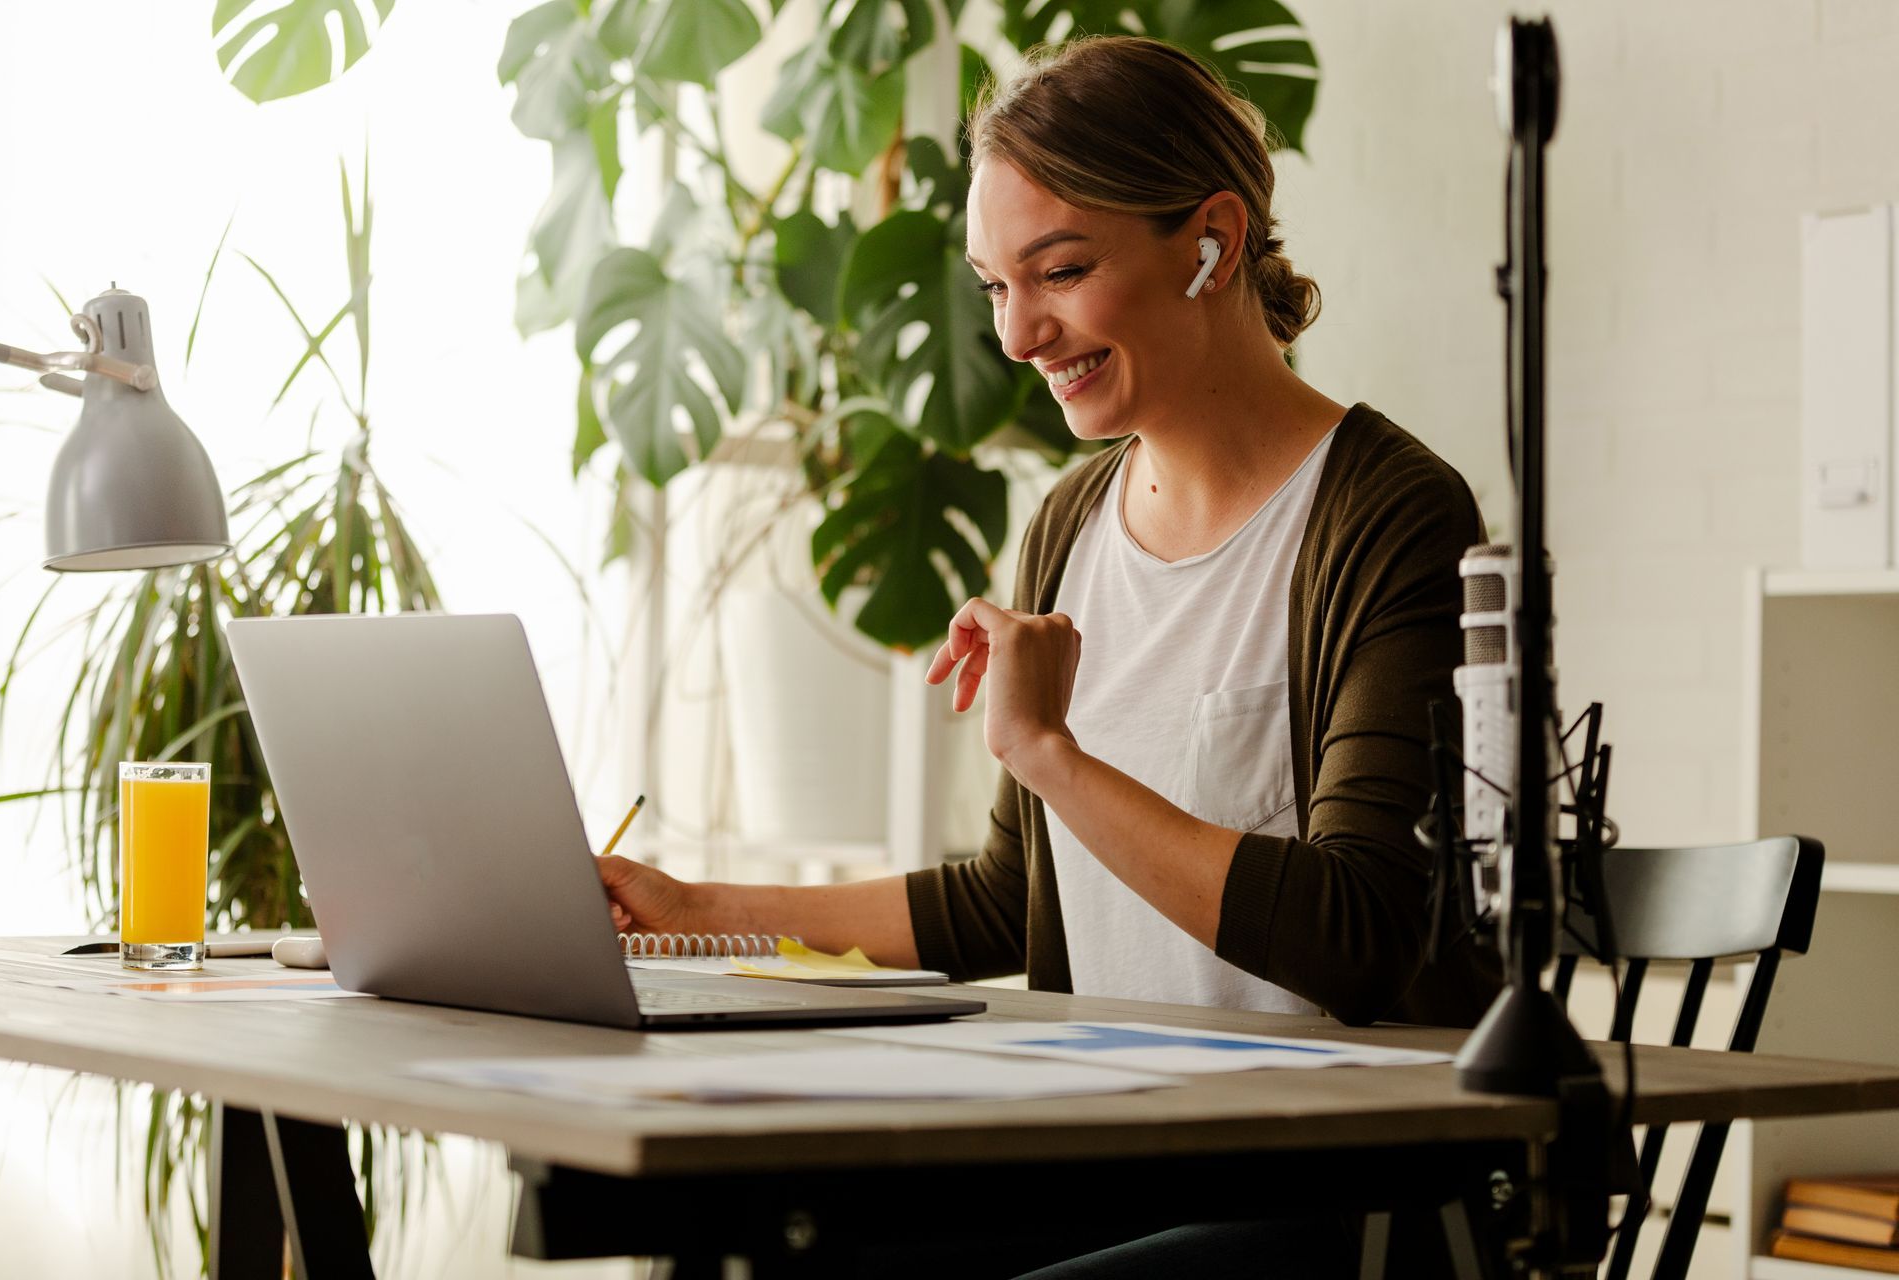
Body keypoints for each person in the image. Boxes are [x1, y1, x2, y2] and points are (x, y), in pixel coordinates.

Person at [598, 34, 1500, 1277]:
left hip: (1332, 1189)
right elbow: (1001, 896)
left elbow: (1356, 929)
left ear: (1213, 243)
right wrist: (695, 909)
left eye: (1060, 271)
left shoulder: (1389, 515)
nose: (1019, 333)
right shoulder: (1073, 524)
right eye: (990, 285)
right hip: (1109, 1154)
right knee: (762, 1243)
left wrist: (1049, 751)